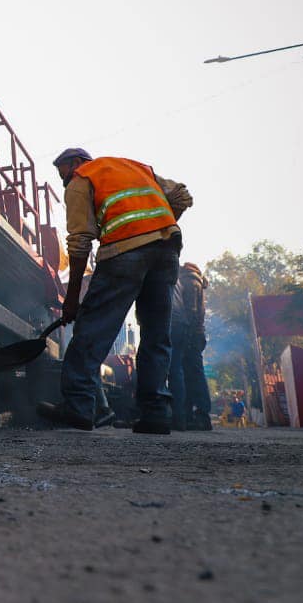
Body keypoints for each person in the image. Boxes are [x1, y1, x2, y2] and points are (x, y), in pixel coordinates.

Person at [37, 148, 192, 434]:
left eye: (63, 173)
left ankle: (79, 407)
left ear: (75, 164)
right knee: (157, 335)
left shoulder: (82, 179)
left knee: (93, 329)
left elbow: (80, 242)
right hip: (166, 251)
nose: (63, 181)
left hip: (124, 254)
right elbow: (182, 195)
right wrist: (154, 228)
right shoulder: (135, 167)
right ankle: (156, 413)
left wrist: (72, 299)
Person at [169, 262, 212, 431]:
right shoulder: (194, 281)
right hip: (195, 333)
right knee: (190, 374)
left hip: (191, 334)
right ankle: (191, 415)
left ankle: (201, 415)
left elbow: (191, 311)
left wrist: (187, 334)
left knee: (194, 374)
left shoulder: (189, 282)